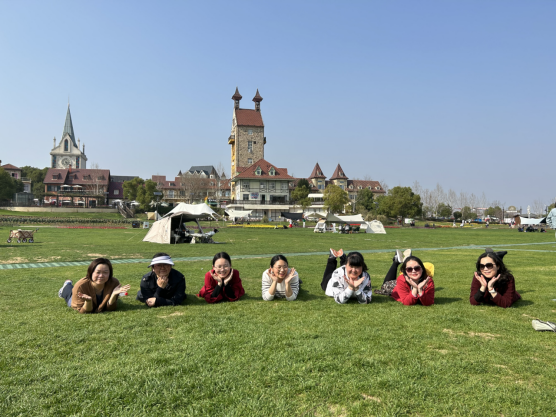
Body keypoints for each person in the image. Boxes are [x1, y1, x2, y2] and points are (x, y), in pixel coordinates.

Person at [58, 258, 130, 314]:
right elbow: (83, 311)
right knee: (69, 295)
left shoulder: (114, 283)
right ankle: (67, 285)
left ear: (110, 273)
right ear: (91, 272)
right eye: (98, 272)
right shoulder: (81, 286)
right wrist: (88, 301)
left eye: (105, 272)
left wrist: (113, 294)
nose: (101, 276)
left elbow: (111, 308)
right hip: (79, 298)